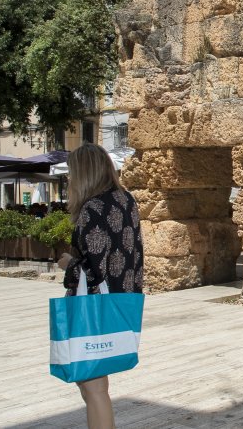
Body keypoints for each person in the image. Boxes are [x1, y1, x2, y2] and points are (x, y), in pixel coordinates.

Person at [57, 143, 144, 429]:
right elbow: (133, 254)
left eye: (72, 172)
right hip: (121, 301)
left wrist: (68, 263)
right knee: (94, 385)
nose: (70, 178)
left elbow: (94, 270)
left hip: (91, 309)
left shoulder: (92, 208)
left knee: (92, 387)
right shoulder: (127, 200)